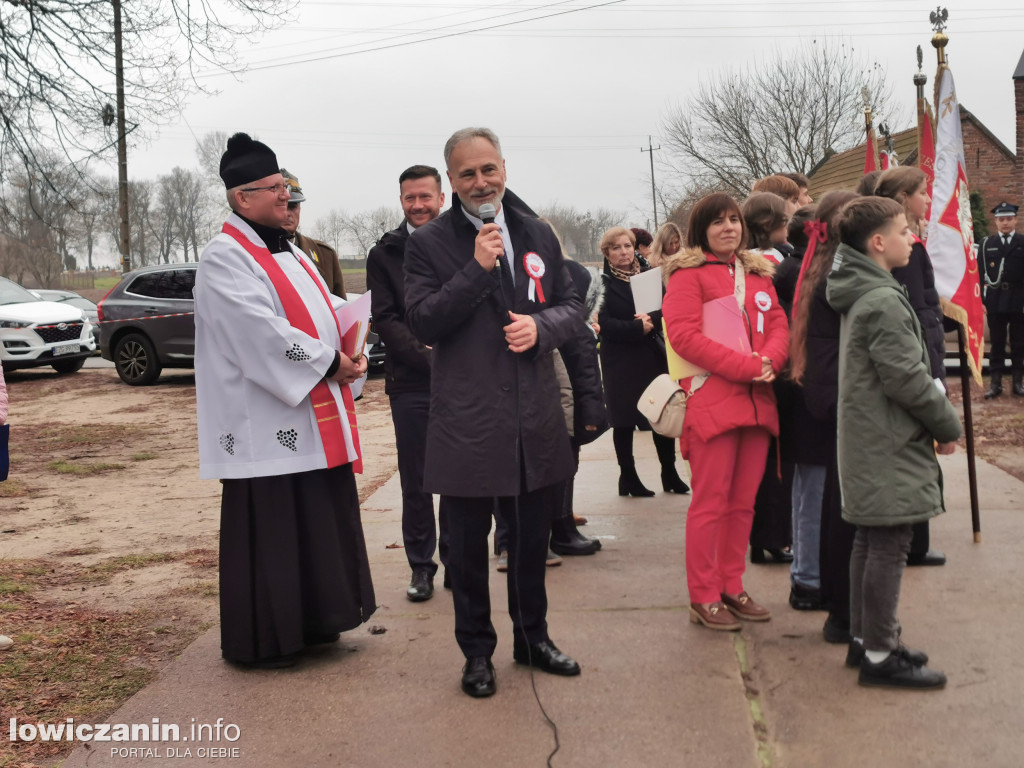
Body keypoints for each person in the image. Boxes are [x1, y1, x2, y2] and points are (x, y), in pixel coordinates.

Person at [404, 127, 583, 698]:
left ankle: (533, 639)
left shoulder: (537, 233)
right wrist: (475, 269)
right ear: (450, 180)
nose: (480, 182)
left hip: (531, 419)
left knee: (530, 544)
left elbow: (573, 304)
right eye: (467, 174)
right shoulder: (429, 244)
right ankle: (476, 653)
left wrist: (542, 327)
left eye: (488, 169)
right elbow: (424, 320)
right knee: (469, 549)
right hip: (468, 422)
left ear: (504, 167)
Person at [194, 133, 375, 669]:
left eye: (286, 185)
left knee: (318, 517)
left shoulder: (292, 251)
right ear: (241, 197)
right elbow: (257, 332)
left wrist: (354, 342)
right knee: (275, 527)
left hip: (309, 411)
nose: (285, 195)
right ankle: (271, 638)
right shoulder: (225, 257)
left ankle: (319, 621)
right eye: (274, 188)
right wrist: (326, 362)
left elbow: (325, 308)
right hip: (265, 420)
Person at [825, 196, 960, 689]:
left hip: (873, 436)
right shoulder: (880, 299)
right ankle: (880, 655)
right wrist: (947, 424)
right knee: (888, 542)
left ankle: (867, 641)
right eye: (905, 230)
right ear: (878, 243)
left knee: (871, 538)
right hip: (886, 439)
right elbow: (905, 378)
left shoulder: (869, 289)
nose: (912, 237)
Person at [662, 193, 789, 631]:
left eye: (734, 220)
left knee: (743, 504)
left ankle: (731, 585)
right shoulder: (687, 276)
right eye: (717, 222)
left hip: (757, 403)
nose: (728, 228)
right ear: (702, 230)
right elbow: (683, 336)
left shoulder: (757, 276)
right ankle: (703, 595)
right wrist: (749, 367)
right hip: (713, 402)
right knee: (710, 503)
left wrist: (771, 359)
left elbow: (777, 324)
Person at [366, 165, 445, 602]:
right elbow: (386, 318)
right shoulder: (385, 253)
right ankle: (421, 566)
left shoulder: (465, 244)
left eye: (425, 197)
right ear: (401, 201)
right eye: (409, 198)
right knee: (417, 480)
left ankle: (458, 558)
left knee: (460, 478)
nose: (418, 205)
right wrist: (429, 359)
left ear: (441, 198)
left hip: (462, 382)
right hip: (411, 383)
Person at [786, 190, 859, 629]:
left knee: (811, 494)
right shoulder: (835, 271)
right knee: (818, 496)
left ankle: (808, 575)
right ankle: (810, 578)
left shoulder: (819, 263)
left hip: (812, 392)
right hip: (824, 397)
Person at [874, 167, 948, 567]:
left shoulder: (909, 245)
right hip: (920, 358)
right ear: (903, 198)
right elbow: (919, 313)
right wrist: (934, 371)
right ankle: (916, 543)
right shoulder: (910, 248)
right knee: (918, 452)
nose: (927, 198)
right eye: (921, 192)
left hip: (922, 348)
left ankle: (916, 540)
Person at [597, 226, 690, 497]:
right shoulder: (603, 284)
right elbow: (604, 323)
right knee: (624, 420)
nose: (624, 252)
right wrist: (637, 328)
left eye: (628, 246)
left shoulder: (649, 276)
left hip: (650, 354)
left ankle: (669, 472)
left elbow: (667, 306)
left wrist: (652, 320)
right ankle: (628, 476)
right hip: (620, 359)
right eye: (616, 248)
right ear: (607, 253)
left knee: (660, 412)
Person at [742, 192, 794, 564]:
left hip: (770, 362)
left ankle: (766, 534)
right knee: (775, 460)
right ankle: (772, 535)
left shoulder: (777, 259)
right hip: (770, 367)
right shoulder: (770, 264)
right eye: (784, 219)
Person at [280, 169, 347, 299]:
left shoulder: (325, 255)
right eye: (282, 206)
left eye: (293, 206)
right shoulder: (254, 255)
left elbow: (342, 311)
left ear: (300, 208)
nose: (287, 213)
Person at [981, 202, 1024, 397]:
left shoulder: (1022, 242)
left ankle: (1018, 383)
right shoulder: (986, 245)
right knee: (997, 343)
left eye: (1009, 219)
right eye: (1001, 219)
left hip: (1019, 299)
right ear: (996, 221)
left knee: (1019, 343)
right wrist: (981, 300)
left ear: (1015, 220)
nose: (1005, 223)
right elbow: (979, 274)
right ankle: (995, 384)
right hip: (995, 299)